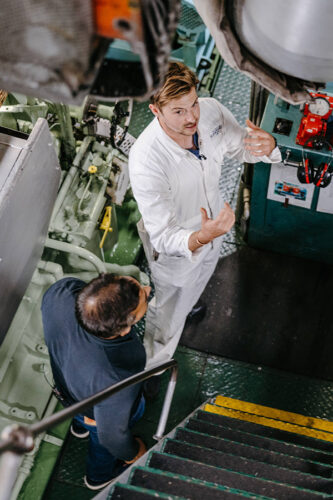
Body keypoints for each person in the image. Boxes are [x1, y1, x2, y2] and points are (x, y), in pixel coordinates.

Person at [128, 61, 281, 369]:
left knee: (196, 285)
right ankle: (151, 370)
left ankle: (187, 306)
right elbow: (163, 236)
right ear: (156, 110)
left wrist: (268, 145)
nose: (192, 117)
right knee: (167, 317)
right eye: (179, 111)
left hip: (213, 230)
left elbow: (242, 148)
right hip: (178, 250)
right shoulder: (147, 161)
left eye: (193, 104)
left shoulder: (210, 111)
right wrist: (202, 236)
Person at [41, 273, 151, 490]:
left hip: (68, 389)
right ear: (124, 329)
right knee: (102, 440)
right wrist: (133, 453)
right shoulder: (115, 377)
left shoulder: (60, 292)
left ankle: (79, 426)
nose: (147, 289)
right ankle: (98, 476)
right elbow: (112, 437)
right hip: (98, 412)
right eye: (144, 299)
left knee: (82, 416)